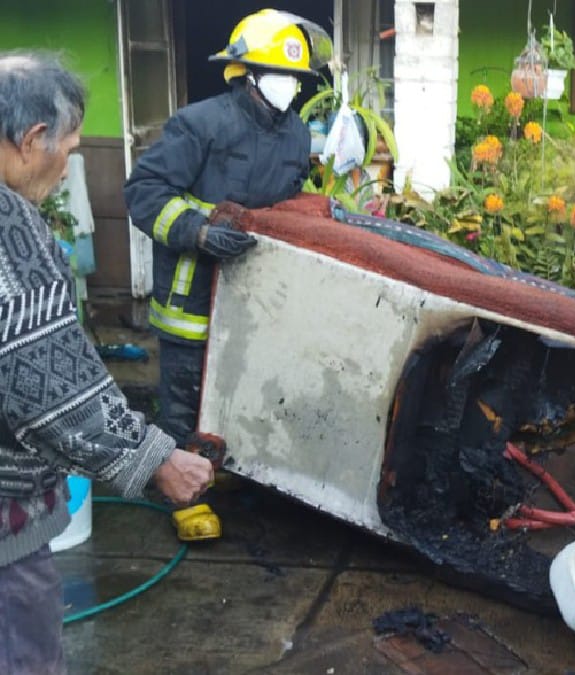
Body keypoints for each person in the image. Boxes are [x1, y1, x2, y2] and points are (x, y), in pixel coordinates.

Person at [0, 52, 215, 674]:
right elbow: (45, 385)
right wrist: (153, 459)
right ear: (31, 140)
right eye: (67, 147)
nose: (66, 163)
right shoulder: (7, 227)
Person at [124, 9, 330, 542]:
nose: (291, 86)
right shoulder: (201, 124)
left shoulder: (296, 136)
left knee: (243, 389)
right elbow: (144, 194)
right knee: (185, 396)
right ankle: (182, 496)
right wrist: (197, 232)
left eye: (297, 79)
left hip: (254, 295)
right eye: (279, 74)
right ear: (245, 73)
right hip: (192, 293)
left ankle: (222, 469)